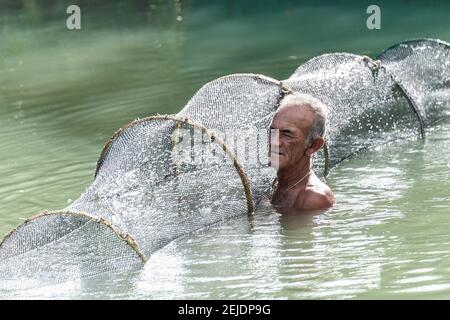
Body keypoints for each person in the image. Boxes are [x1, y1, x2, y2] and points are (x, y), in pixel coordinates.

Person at [269, 93, 335, 214]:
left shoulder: (313, 199)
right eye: (273, 131)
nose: (273, 142)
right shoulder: (277, 183)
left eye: (287, 134)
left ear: (313, 146)